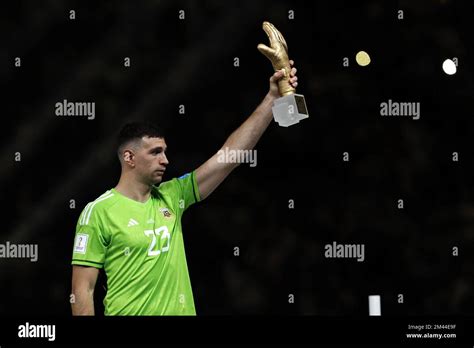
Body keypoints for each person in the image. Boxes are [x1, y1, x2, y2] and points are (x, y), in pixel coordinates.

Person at [71, 61, 299, 315]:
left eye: (165, 152)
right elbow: (83, 291)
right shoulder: (99, 212)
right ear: (129, 157)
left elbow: (229, 157)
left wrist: (272, 99)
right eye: (155, 152)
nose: (165, 160)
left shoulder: (173, 195)